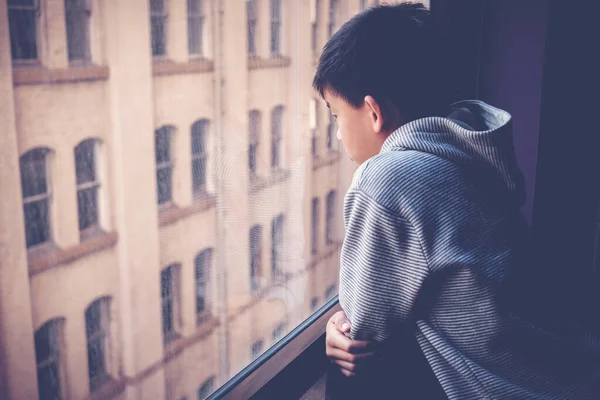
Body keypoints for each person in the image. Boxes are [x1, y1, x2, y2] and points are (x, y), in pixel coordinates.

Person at [314, 3, 600, 399]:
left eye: (336, 115)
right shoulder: (467, 145)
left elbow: (365, 327)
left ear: (374, 112)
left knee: (352, 377)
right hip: (569, 363)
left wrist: (337, 328)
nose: (339, 135)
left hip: (516, 390)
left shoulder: (385, 180)